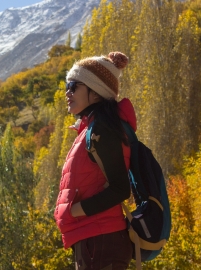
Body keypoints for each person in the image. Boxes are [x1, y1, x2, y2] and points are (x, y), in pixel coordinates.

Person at [53, 52, 137, 270]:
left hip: (101, 241)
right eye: (66, 86)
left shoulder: (102, 131)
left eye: (74, 86)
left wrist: (73, 211)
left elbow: (120, 189)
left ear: (97, 92)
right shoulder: (90, 130)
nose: (67, 92)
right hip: (94, 241)